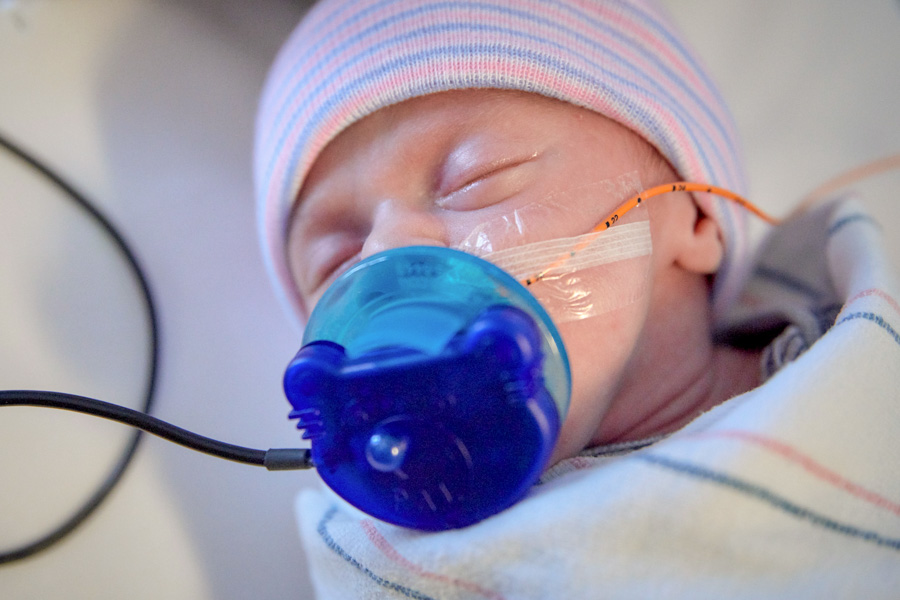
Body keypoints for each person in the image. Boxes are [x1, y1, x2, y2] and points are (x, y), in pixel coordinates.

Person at [255, 0, 900, 597]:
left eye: (478, 179)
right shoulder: (388, 540)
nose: (386, 253)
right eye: (335, 260)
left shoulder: (855, 357)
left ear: (696, 218)